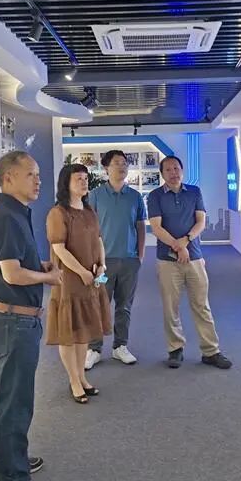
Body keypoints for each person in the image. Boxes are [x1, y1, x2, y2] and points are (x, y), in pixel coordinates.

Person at [0, 151, 63, 481]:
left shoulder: (16, 213)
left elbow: (17, 263)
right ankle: (11, 475)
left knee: (12, 398)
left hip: (17, 322)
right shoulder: (7, 217)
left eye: (38, 174)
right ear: (8, 178)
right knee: (15, 403)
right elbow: (12, 274)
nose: (38, 180)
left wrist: (38, 265)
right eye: (30, 174)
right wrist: (48, 277)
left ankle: (10, 460)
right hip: (14, 323)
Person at [147, 156, 232, 370]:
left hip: (194, 257)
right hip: (167, 260)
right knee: (171, 307)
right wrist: (177, 247)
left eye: (176, 168)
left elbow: (201, 222)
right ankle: (175, 349)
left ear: (182, 171)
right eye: (168, 169)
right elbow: (156, 227)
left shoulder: (194, 192)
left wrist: (185, 241)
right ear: (162, 174)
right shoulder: (155, 196)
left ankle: (211, 351)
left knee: (202, 305)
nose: (173, 173)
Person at [46, 163, 112, 403]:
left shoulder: (89, 210)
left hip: (92, 278)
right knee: (69, 332)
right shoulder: (58, 213)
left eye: (86, 178)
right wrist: (82, 272)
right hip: (69, 281)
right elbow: (59, 248)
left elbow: (99, 240)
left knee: (83, 330)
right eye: (79, 179)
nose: (84, 182)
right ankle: (74, 380)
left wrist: (102, 265)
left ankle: (82, 377)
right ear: (66, 183)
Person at [85, 150, 146, 369]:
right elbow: (88, 228)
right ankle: (94, 348)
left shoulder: (135, 197)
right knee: (98, 304)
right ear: (106, 168)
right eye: (117, 163)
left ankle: (120, 346)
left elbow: (140, 227)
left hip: (129, 262)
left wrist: (140, 256)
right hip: (103, 264)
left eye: (124, 163)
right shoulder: (95, 195)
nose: (122, 167)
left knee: (125, 305)